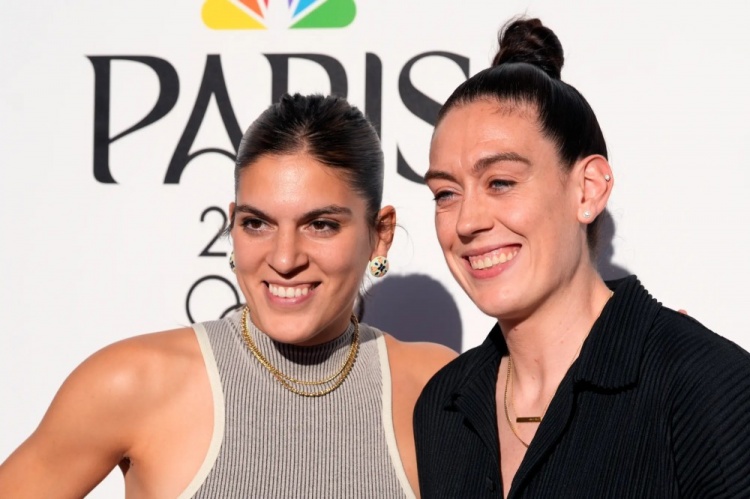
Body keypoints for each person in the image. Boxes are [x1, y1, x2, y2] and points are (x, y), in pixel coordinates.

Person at [0, 93, 456, 498]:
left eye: (320, 225)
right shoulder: (133, 382)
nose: (284, 258)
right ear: (233, 223)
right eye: (257, 223)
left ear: (380, 234)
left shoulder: (436, 388)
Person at [414, 17, 750, 498]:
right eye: (446, 193)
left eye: (500, 182)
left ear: (588, 189)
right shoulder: (442, 407)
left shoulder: (704, 385)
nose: (466, 222)